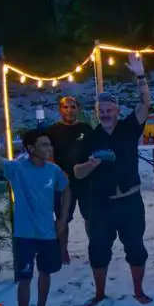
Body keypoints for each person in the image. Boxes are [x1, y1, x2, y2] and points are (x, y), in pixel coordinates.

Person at [75, 52, 152, 306]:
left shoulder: (129, 127)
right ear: (97, 112)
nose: (105, 113)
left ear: (118, 111)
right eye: (101, 110)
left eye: (109, 109)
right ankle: (99, 293)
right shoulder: (90, 137)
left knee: (136, 248)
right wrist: (90, 164)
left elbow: (145, 104)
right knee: (98, 251)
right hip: (101, 204)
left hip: (130, 201)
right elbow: (77, 172)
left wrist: (140, 75)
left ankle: (138, 291)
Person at [0, 123, 70, 306]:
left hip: (48, 233)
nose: (49, 148)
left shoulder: (53, 170)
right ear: (31, 148)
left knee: (46, 272)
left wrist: (63, 218)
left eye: (49, 144)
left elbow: (66, 187)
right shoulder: (17, 168)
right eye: (44, 145)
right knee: (25, 278)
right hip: (24, 234)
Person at [43, 95, 93, 263]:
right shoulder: (52, 131)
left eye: (73, 107)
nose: (70, 110)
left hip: (85, 181)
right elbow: (48, 155)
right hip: (63, 183)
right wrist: (58, 173)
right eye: (66, 107)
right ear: (60, 110)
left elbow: (93, 153)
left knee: (91, 216)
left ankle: (94, 247)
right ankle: (63, 251)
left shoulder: (86, 129)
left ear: (78, 109)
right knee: (62, 217)